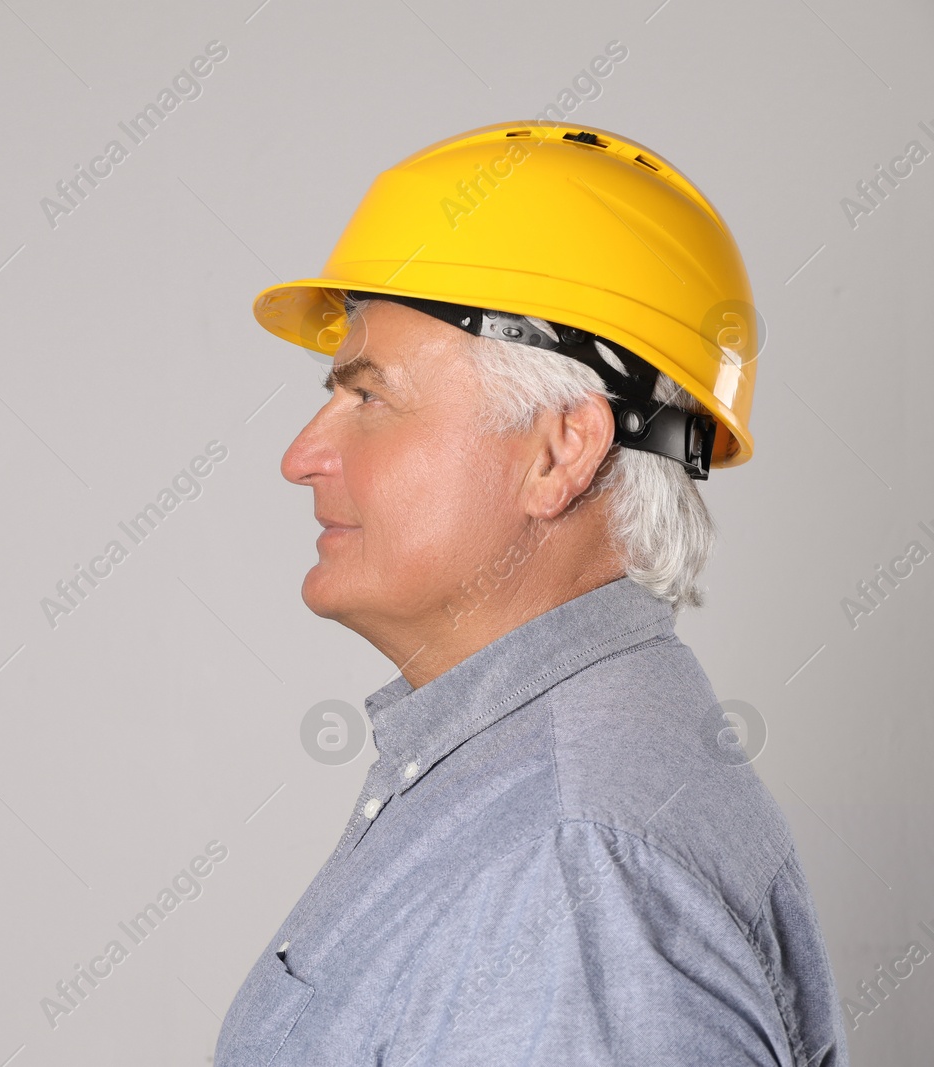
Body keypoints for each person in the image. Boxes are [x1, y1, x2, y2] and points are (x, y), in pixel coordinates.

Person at [214, 121, 848, 1066]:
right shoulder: (529, 794)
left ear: (560, 450)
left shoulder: (573, 872)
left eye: (369, 396)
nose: (302, 456)